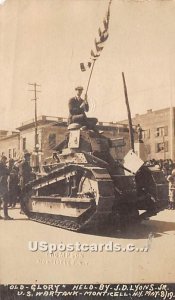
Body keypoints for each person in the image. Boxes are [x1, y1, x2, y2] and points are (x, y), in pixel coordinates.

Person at [0, 155, 13, 220]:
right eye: (4, 160)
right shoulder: (1, 166)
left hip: (2, 184)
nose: (5, 161)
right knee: (5, 199)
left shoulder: (2, 166)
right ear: (1, 159)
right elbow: (8, 172)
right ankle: (6, 216)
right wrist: (10, 164)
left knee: (0, 200)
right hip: (2, 184)